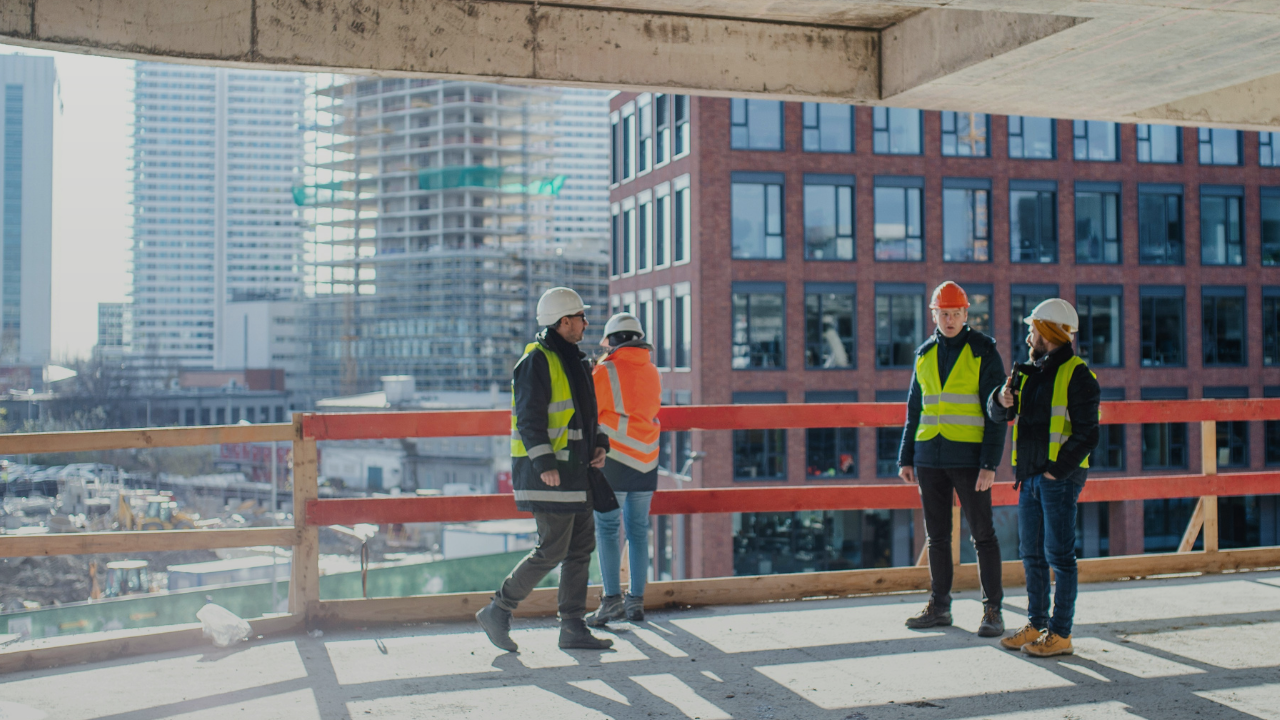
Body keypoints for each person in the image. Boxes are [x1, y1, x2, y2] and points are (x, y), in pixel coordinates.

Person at [476, 287, 614, 652]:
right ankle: (497, 610)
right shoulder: (536, 360)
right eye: (581, 317)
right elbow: (528, 417)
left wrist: (600, 444)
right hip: (549, 475)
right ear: (564, 321)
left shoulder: (578, 361)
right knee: (551, 550)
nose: (586, 323)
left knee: (580, 549)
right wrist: (544, 462)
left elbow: (587, 415)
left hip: (578, 472)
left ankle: (572, 627)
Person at [988, 298, 1099, 658]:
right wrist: (1000, 400)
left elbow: (1088, 434)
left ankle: (1061, 633)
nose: (1028, 335)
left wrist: (1056, 471)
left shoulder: (1077, 374)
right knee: (1031, 554)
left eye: (1033, 328)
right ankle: (1037, 624)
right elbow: (999, 414)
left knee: (1059, 556)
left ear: (1048, 331)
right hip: (1031, 476)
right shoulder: (1029, 371)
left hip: (1057, 479)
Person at [899, 281, 1008, 637]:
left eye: (955, 313)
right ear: (934, 315)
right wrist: (906, 457)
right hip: (929, 456)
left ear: (966, 314)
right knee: (937, 537)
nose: (949, 320)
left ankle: (993, 611)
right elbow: (915, 409)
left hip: (970, 458)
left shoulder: (983, 351)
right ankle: (940, 607)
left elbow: (998, 412)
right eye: (943, 314)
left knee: (983, 536)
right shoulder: (924, 353)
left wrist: (990, 464)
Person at [585, 312, 662, 626]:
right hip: (647, 456)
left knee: (607, 529)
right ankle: (636, 603)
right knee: (638, 532)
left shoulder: (605, 371)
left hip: (613, 457)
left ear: (612, 341)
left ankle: (611, 601)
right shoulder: (653, 371)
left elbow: (590, 410)